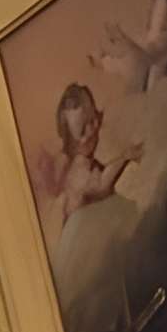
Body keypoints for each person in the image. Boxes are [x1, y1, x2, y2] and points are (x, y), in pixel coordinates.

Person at [40, 83, 141, 229]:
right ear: (69, 142)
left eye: (93, 121)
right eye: (81, 132)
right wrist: (125, 158)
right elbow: (101, 187)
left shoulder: (87, 161)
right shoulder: (79, 167)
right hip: (81, 228)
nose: (91, 132)